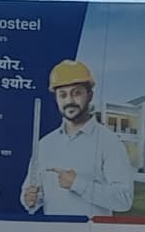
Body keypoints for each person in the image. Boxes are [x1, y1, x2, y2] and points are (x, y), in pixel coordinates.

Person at [20, 60, 135, 218]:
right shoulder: (45, 144)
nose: (69, 101)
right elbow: (32, 196)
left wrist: (78, 184)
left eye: (76, 93)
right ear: (56, 99)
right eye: (63, 95)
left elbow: (124, 199)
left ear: (89, 95)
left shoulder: (109, 142)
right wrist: (29, 199)